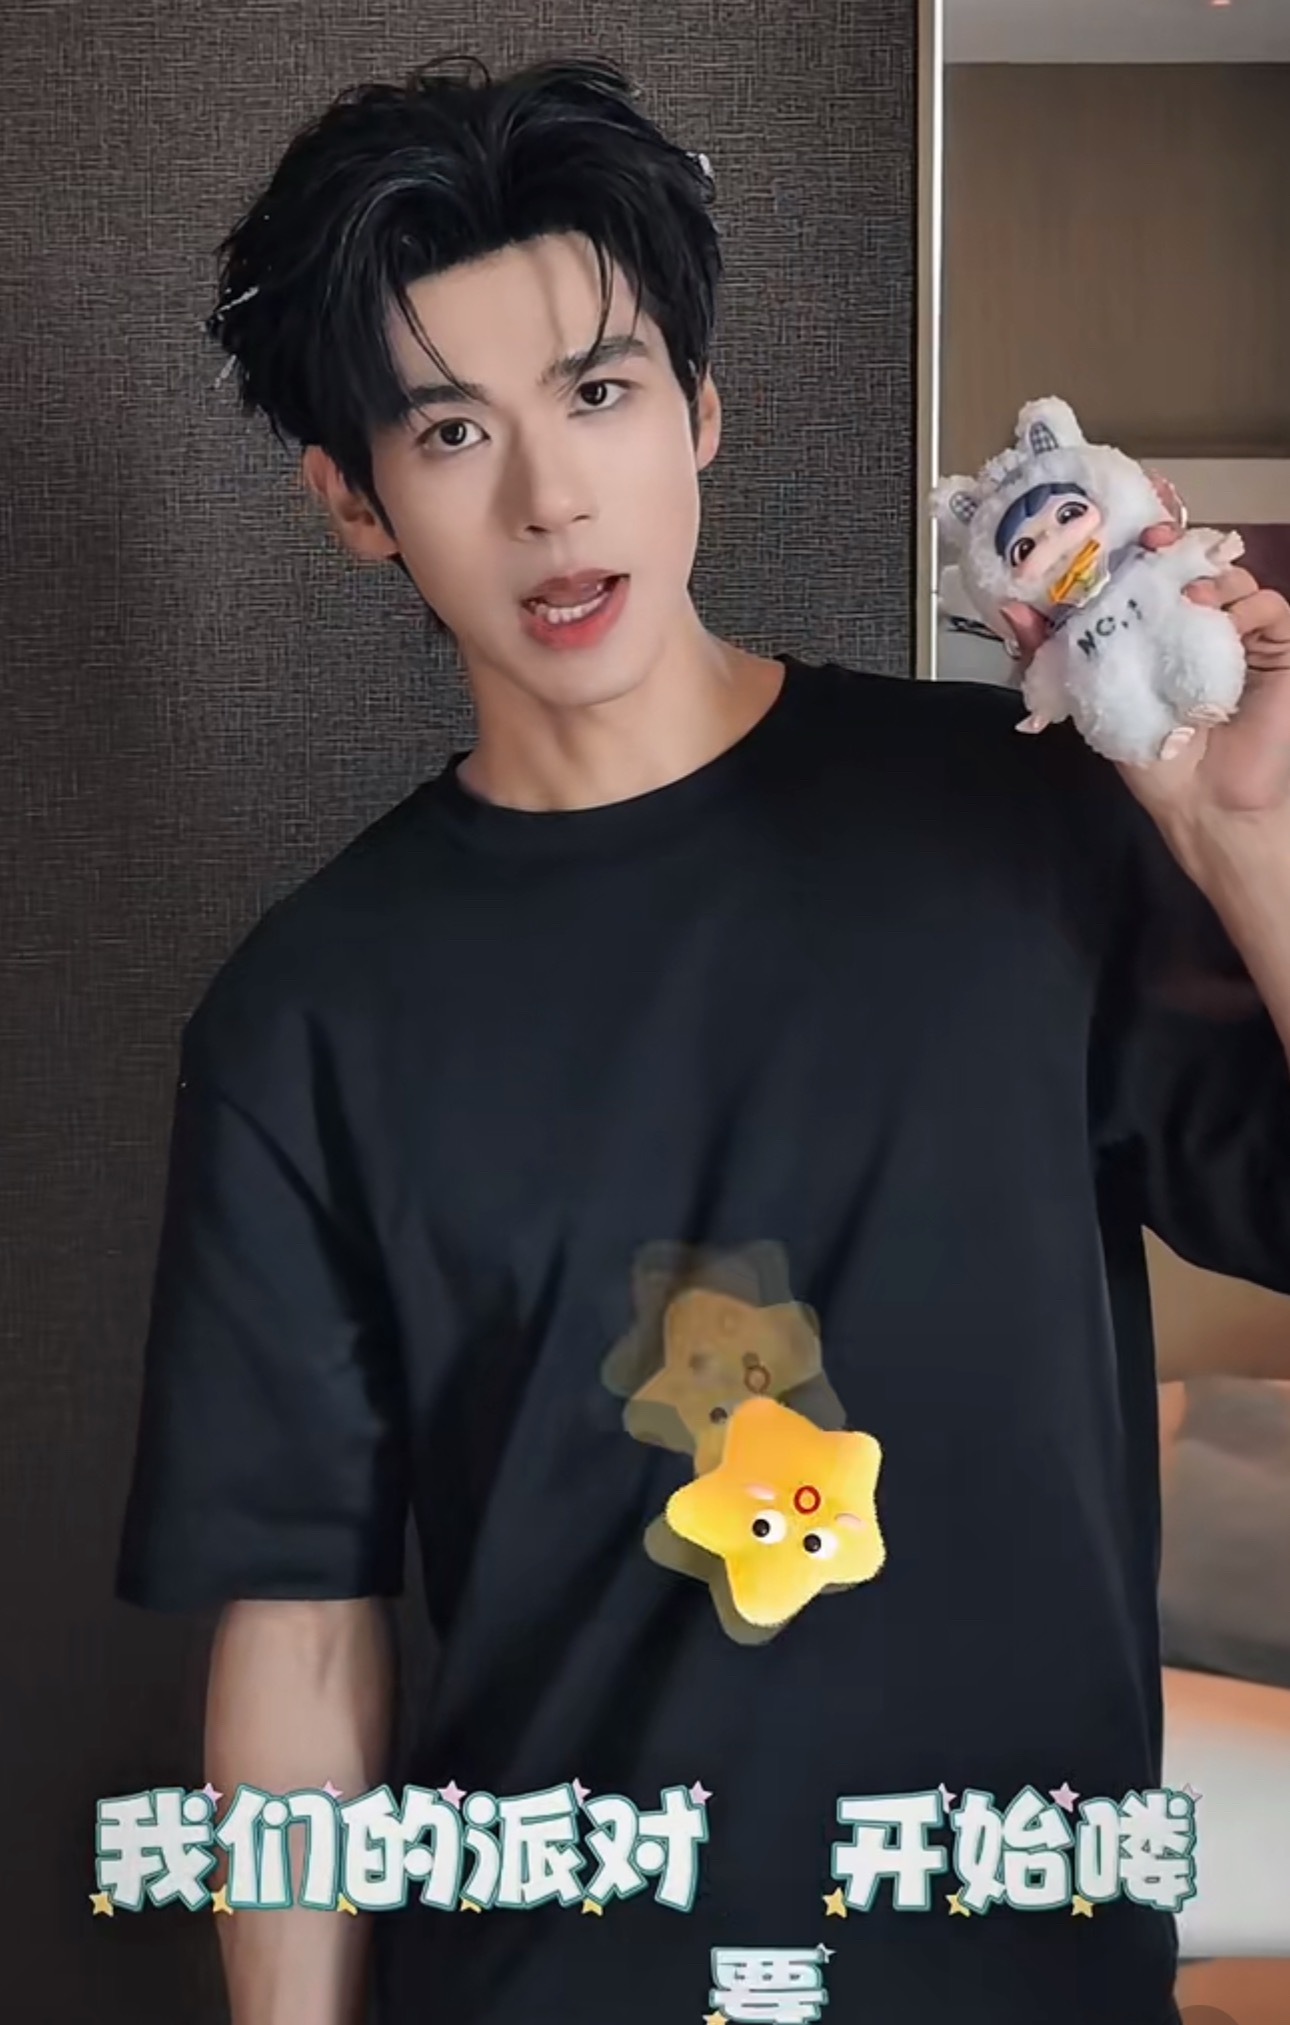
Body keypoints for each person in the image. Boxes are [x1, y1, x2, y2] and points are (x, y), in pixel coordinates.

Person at [115, 54, 1290, 2025]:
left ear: (701, 410)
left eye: (599, 393)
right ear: (354, 502)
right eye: (449, 430)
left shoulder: (1019, 824)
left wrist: (1250, 839)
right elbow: (302, 1646)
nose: (550, 496)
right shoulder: (304, 1018)